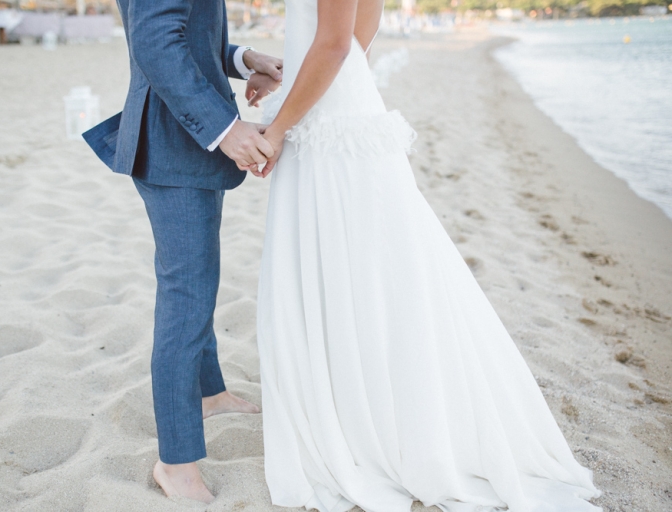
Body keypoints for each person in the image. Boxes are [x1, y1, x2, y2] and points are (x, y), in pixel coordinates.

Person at [254, 0, 603, 510]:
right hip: (341, 102)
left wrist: (278, 127)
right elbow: (356, 36)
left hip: (330, 112)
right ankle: (373, 404)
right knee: (374, 269)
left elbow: (332, 43)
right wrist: (299, 92)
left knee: (357, 269)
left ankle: (368, 417)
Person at [82, 0, 283, 503]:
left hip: (183, 143)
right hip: (175, 142)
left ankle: (209, 393)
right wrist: (225, 129)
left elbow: (189, 33)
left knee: (197, 279)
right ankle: (175, 463)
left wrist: (243, 59)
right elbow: (153, 41)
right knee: (186, 295)